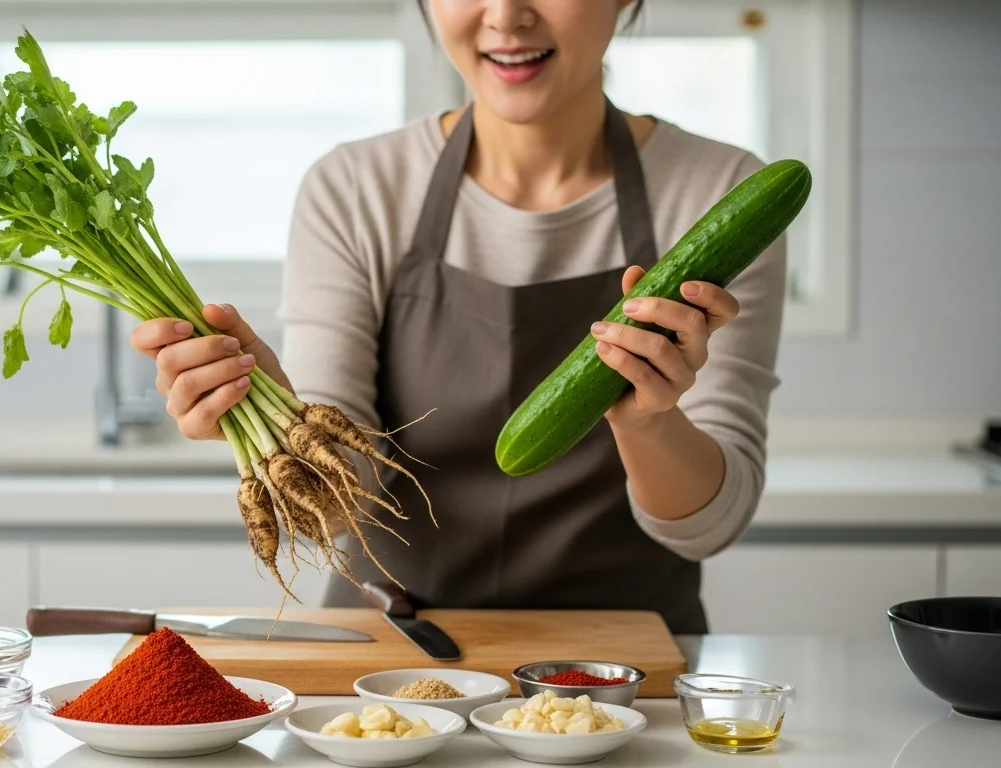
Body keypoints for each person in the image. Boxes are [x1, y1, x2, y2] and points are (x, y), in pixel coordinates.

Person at [130, 0, 785, 634]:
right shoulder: (356, 188)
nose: (505, 15)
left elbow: (710, 526)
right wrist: (271, 413)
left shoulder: (718, 192)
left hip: (621, 675)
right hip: (389, 664)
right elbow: (342, 506)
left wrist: (652, 423)